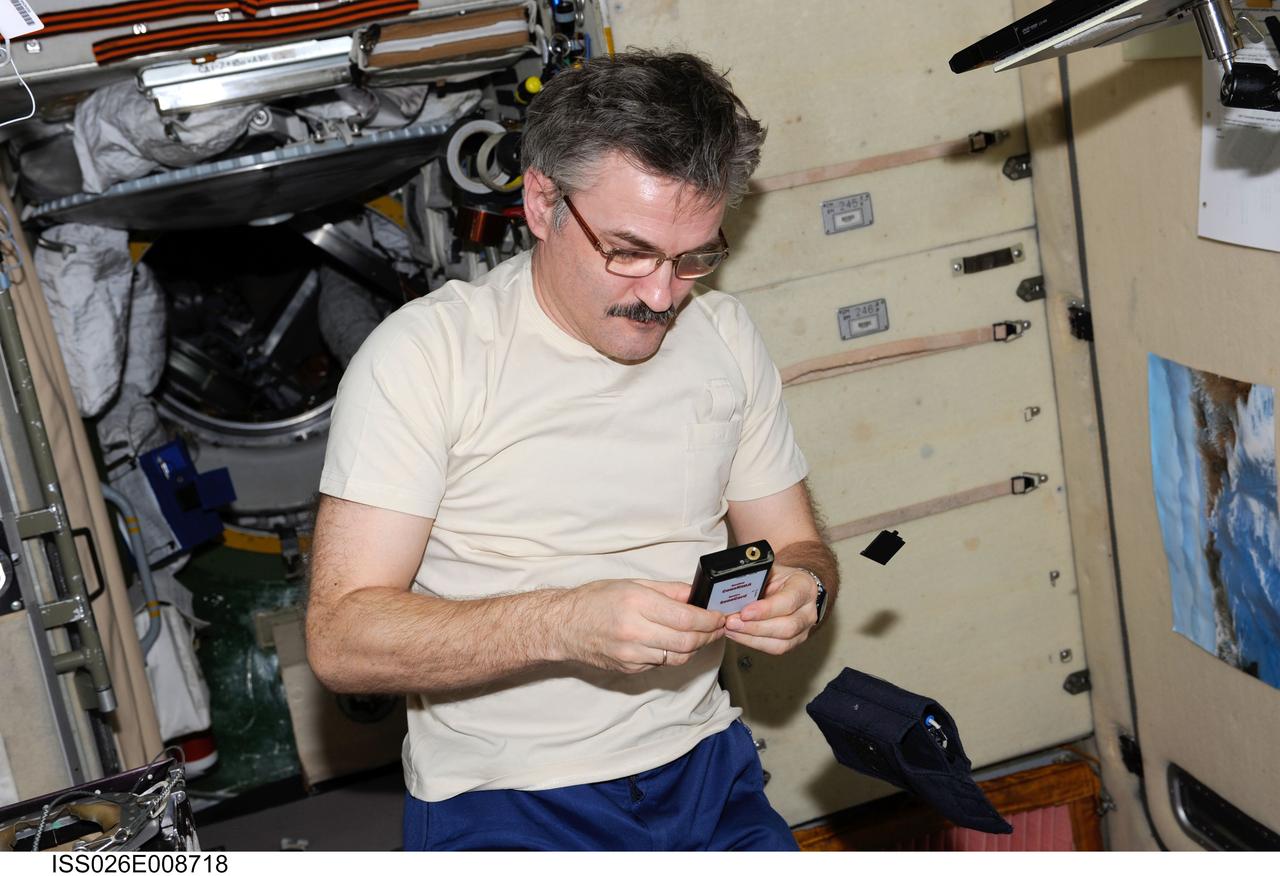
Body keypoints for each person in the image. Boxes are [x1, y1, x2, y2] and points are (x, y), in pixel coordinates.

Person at [306, 50, 840, 851]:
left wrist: (806, 588)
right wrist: (561, 626)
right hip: (508, 798)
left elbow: (800, 544)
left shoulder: (723, 337)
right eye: (628, 251)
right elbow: (342, 640)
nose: (661, 296)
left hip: (706, 767)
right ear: (543, 201)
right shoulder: (428, 356)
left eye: (692, 257)